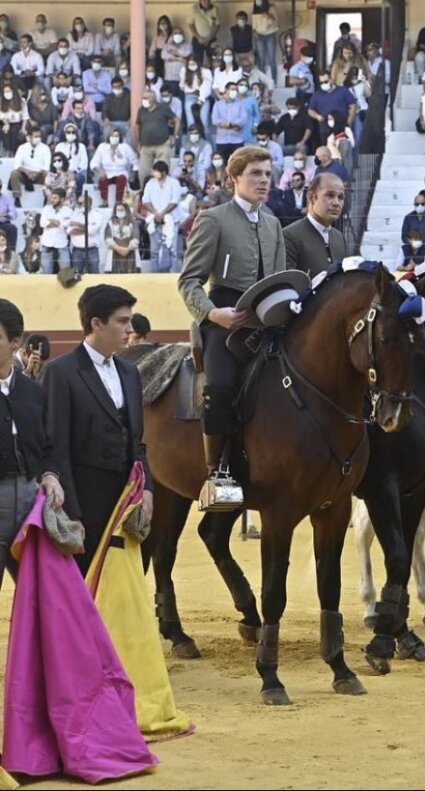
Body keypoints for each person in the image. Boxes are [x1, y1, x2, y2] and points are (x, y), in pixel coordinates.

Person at [178, 146, 287, 509]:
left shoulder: (272, 223)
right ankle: (216, 473)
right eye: (255, 173)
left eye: (267, 174)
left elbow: (279, 279)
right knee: (220, 386)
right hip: (224, 318)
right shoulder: (213, 219)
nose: (264, 180)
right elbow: (189, 281)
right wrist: (212, 314)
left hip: (266, 321)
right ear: (234, 178)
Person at [41, 285, 151, 572]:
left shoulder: (129, 372)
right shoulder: (60, 372)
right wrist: (71, 513)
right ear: (96, 323)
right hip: (84, 502)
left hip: (125, 502)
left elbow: (137, 441)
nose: (130, 329)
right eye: (122, 321)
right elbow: (55, 445)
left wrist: (147, 489)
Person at [0, 298, 65, 587]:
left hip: (30, 504)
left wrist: (50, 474)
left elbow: (49, 444)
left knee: (40, 594)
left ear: (15, 342)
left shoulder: (33, 392)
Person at [283, 173, 346, 276]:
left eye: (340, 197)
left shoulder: (338, 238)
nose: (336, 203)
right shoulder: (289, 236)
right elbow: (287, 282)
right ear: (312, 197)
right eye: (330, 195)